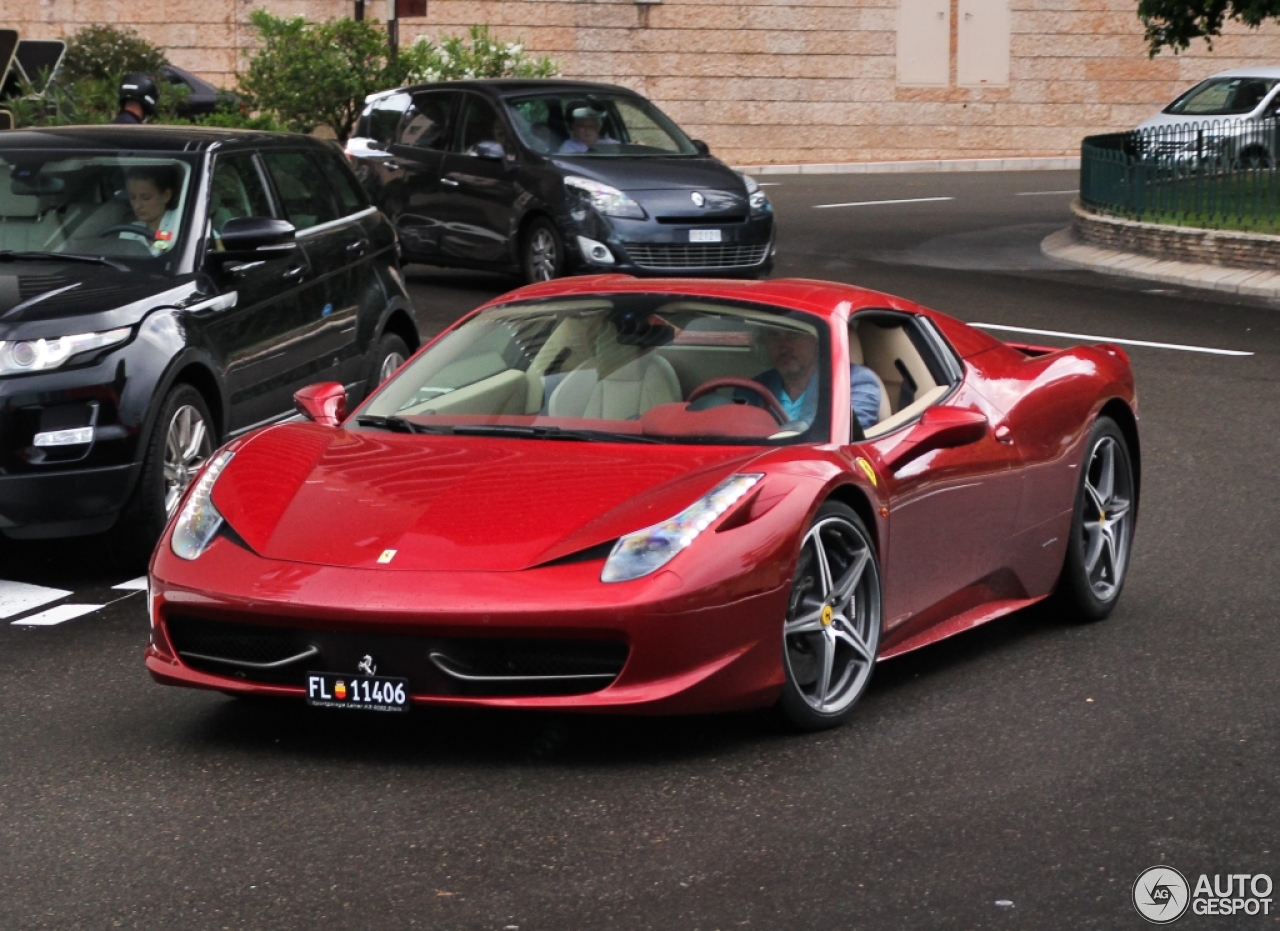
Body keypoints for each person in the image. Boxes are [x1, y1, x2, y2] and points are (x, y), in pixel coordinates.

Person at [752, 327, 881, 431]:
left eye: (793, 334)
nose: (784, 347)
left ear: (817, 340)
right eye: (774, 336)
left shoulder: (854, 381)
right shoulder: (754, 387)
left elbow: (846, 436)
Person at [119, 165, 181, 255]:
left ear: (166, 195)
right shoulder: (129, 232)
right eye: (132, 198)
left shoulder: (180, 223)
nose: (137, 206)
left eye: (146, 198)